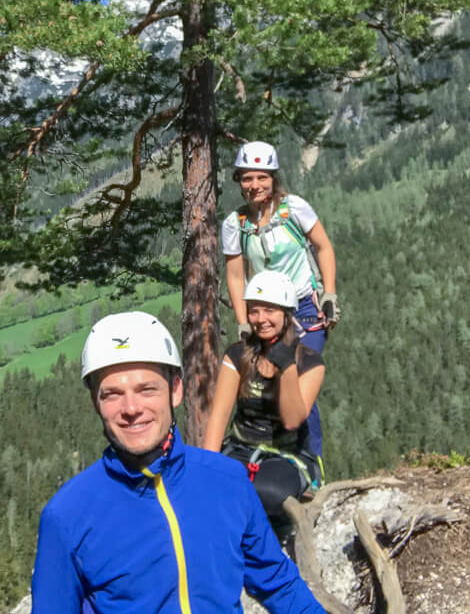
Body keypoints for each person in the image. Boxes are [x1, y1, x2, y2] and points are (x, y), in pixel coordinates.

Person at [31, 311, 324, 613]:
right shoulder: (67, 517)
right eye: (112, 394)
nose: (131, 408)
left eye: (147, 389)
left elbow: (277, 582)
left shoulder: (226, 481)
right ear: (95, 402)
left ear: (175, 390)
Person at [221, 140, 337, 458]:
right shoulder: (235, 225)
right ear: (239, 181)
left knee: (298, 378)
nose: (254, 185)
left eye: (261, 177)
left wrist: (329, 293)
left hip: (303, 308)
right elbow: (235, 275)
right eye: (247, 178)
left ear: (273, 178)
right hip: (266, 313)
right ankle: (273, 456)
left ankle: (310, 464)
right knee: (269, 383)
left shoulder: (294, 209)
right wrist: (244, 322)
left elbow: (323, 247)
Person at [203, 271, 326, 544]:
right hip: (240, 447)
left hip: (287, 454)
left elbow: (293, 419)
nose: (260, 319)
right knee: (217, 489)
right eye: (254, 311)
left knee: (268, 492)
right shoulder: (238, 355)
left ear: (286, 313)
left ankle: (276, 539)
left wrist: (287, 369)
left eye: (269, 310)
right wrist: (207, 466)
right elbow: (219, 415)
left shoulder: (309, 362)